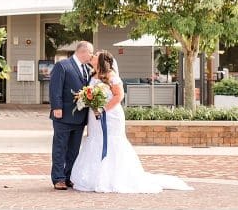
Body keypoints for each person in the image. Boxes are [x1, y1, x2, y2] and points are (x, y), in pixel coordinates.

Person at [69, 50, 192, 193]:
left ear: (101, 60)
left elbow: (119, 95)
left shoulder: (111, 76)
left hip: (110, 116)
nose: (93, 56)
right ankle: (94, 177)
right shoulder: (92, 74)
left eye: (96, 55)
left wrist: (103, 109)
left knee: (112, 142)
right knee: (96, 140)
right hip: (95, 115)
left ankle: (113, 178)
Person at [48, 40, 93, 190]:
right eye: (90, 52)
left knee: (74, 149)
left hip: (80, 117)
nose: (91, 56)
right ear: (83, 51)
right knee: (60, 147)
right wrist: (57, 107)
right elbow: (55, 88)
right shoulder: (63, 65)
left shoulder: (87, 69)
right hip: (63, 115)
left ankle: (69, 176)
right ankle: (58, 178)